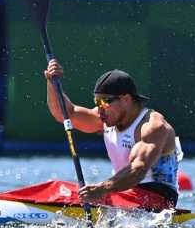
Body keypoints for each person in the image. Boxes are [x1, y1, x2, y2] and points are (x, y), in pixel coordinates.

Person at [44, 59, 181, 212]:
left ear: (126, 99)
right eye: (96, 103)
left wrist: (102, 189)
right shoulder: (105, 118)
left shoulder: (152, 127)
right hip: (124, 193)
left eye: (104, 102)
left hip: (156, 200)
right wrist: (52, 82)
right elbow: (66, 114)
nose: (99, 109)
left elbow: (138, 170)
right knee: (58, 188)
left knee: (67, 194)